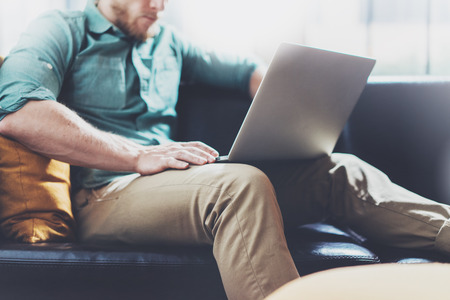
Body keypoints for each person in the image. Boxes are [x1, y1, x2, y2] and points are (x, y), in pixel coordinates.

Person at [0, 0, 449, 299]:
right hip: (105, 193)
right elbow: (19, 112)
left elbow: (246, 71)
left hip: (176, 187)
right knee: (239, 186)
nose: (159, 4)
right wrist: (134, 156)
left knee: (337, 171)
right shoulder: (60, 29)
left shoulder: (168, 40)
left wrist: (279, 96)